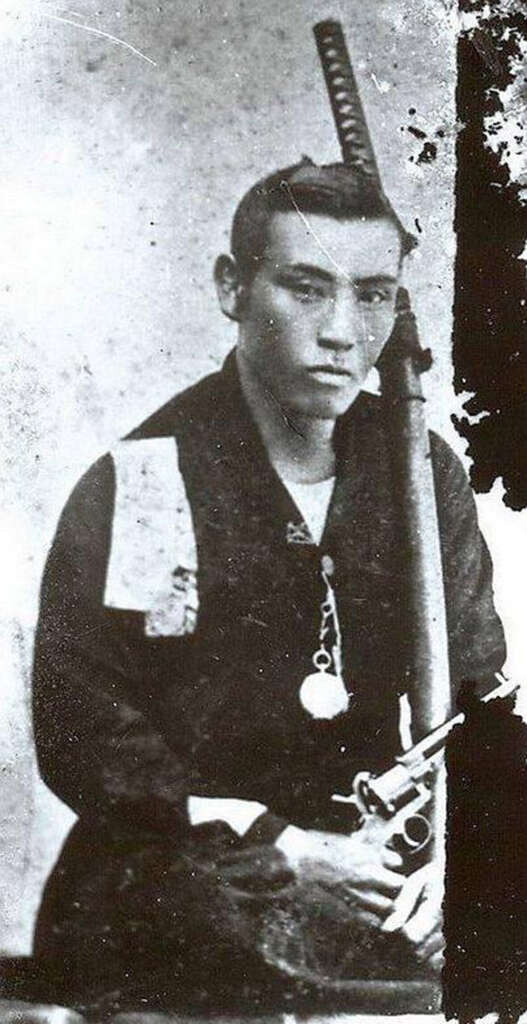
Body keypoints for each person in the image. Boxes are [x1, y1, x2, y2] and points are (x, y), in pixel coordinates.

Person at [32, 159, 506, 1015]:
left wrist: (462, 865)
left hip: (371, 889)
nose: (340, 331)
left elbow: (477, 699)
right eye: (304, 287)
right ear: (232, 286)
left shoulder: (419, 471)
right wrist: (273, 842)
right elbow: (83, 732)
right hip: (180, 890)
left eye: (371, 295)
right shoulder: (146, 481)